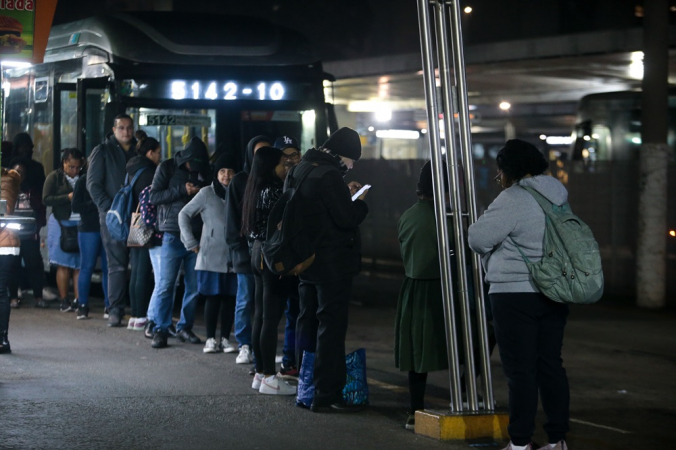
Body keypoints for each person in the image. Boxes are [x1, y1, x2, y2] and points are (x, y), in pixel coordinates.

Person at [468, 139, 570, 450]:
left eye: (500, 174)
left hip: (514, 294)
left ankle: (521, 441)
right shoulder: (558, 196)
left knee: (520, 370)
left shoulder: (512, 198)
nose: (500, 180)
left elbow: (477, 238)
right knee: (550, 365)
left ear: (510, 172)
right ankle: (557, 440)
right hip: (554, 291)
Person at [285, 127, 368, 411]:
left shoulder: (302, 169)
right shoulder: (330, 175)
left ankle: (305, 387)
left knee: (306, 320)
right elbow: (345, 218)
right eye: (351, 160)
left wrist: (342, 195)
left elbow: (313, 208)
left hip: (305, 259)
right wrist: (360, 205)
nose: (352, 165)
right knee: (331, 326)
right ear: (341, 154)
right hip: (331, 263)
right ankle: (326, 392)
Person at [394, 161, 451, 430]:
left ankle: (415, 409)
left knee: (417, 355)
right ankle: (463, 399)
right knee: (463, 346)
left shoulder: (408, 215)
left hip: (413, 290)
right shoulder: (448, 217)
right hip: (444, 290)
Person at [242, 146, 295, 395]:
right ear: (270, 166)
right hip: (270, 256)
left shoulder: (254, 188)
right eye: (282, 164)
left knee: (261, 316)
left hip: (256, 252)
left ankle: (260, 373)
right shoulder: (273, 191)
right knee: (270, 319)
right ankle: (269, 378)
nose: (286, 168)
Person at [149, 136, 211, 349]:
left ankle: (185, 327)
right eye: (191, 164)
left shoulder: (205, 170)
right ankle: (160, 329)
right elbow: (154, 197)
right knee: (166, 285)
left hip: (197, 235)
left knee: (194, 287)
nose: (193, 168)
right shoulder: (167, 167)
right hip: (173, 233)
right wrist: (182, 190)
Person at [179, 153, 237, 354]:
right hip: (210, 255)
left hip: (233, 257)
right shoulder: (206, 193)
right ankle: (211, 339)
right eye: (222, 171)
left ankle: (226, 339)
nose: (226, 176)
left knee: (230, 299)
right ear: (216, 173)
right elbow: (183, 214)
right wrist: (190, 242)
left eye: (230, 171)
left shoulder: (240, 193)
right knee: (212, 299)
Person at [86, 114, 137, 327]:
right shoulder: (103, 151)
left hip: (137, 215)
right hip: (113, 217)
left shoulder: (138, 150)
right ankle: (115, 309)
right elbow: (93, 184)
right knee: (116, 264)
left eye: (129, 128)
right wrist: (109, 209)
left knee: (139, 263)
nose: (126, 132)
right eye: (121, 128)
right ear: (114, 130)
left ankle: (139, 311)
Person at [226, 135, 272, 365]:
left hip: (268, 255)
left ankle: (262, 346)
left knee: (265, 303)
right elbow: (232, 220)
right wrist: (237, 249)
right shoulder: (240, 181)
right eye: (258, 152)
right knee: (245, 300)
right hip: (246, 254)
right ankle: (245, 344)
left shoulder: (274, 180)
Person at [273, 135, 302, 380]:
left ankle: (291, 360)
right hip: (278, 258)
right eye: (286, 156)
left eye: (294, 155)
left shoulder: (301, 180)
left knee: (295, 311)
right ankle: (265, 362)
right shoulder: (273, 185)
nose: (291, 160)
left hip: (296, 258)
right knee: (272, 312)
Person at [126, 132, 161, 331]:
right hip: (145, 222)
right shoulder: (148, 173)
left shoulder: (133, 169)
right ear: (149, 153)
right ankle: (140, 315)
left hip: (134, 220)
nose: (159, 157)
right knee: (143, 270)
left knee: (136, 268)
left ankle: (134, 314)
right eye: (157, 152)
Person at [8, 133, 48, 309]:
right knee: (12, 265)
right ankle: (13, 296)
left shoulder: (35, 183)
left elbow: (41, 207)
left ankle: (38, 296)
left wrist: (38, 226)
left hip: (30, 231)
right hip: (11, 232)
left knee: (34, 264)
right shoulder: (7, 186)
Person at [43, 148, 84, 312]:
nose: (74, 171)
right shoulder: (54, 177)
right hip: (61, 223)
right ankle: (64, 299)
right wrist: (66, 197)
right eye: (71, 167)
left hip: (81, 225)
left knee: (80, 265)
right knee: (63, 264)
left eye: (77, 167)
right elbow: (46, 199)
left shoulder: (84, 177)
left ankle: (78, 300)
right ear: (64, 163)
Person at [71, 161, 109, 320]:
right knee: (104, 268)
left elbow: (76, 206)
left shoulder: (83, 180)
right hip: (95, 227)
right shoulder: (86, 181)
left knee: (88, 267)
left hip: (90, 228)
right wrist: (95, 204)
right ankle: (106, 306)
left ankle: (84, 306)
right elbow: (75, 206)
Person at [0, 166, 22, 353]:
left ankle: (2, 338)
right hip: (7, 242)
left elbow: (4, 208)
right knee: (1, 291)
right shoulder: (10, 179)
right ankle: (2, 338)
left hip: (4, 242)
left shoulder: (7, 180)